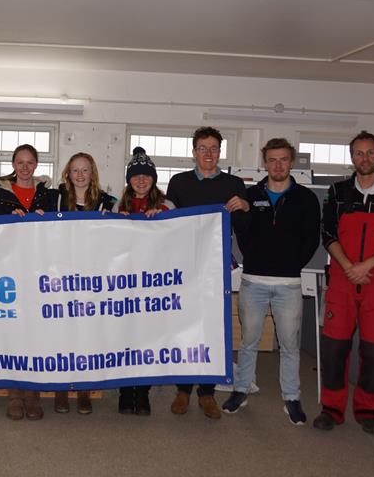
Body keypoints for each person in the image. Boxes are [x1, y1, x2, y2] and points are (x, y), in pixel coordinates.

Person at [313, 131, 374, 435]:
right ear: (351, 156)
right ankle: (332, 408)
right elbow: (328, 234)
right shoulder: (337, 191)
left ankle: (368, 409)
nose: (364, 158)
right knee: (333, 349)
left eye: (370, 153)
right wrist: (348, 267)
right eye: (358, 153)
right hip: (342, 280)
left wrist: (366, 265)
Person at [222, 138, 320, 424]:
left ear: (291, 162)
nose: (278, 165)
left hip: (288, 284)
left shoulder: (306, 198)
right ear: (265, 163)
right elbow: (243, 233)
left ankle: (291, 397)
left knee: (289, 345)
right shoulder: (250, 196)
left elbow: (311, 239)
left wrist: (290, 265)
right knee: (249, 340)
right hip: (253, 281)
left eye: (283, 159)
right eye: (272, 160)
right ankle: (241, 390)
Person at [165, 126, 250, 420]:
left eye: (214, 148)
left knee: (214, 328)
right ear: (194, 152)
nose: (209, 154)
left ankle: (207, 392)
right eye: (203, 148)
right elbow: (168, 223)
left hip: (216, 268)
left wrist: (246, 207)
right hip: (185, 265)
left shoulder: (235, 183)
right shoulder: (178, 182)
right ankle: (183, 390)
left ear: (220, 152)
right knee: (184, 325)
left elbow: (244, 230)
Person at [0, 144, 55, 420]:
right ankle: (15, 392)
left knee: (36, 332)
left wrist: (45, 220)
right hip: (11, 268)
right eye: (20, 162)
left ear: (36, 165)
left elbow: (59, 228)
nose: (25, 167)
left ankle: (33, 392)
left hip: (40, 268)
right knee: (14, 330)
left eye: (30, 162)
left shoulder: (49, 195)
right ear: (13, 164)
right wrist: (9, 220)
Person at [50, 152, 117, 415]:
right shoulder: (55, 197)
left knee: (88, 335)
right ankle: (60, 389)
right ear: (68, 173)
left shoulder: (106, 201)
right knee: (62, 334)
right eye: (75, 170)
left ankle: (84, 391)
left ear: (93, 173)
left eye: (85, 170)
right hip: (59, 277)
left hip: (91, 279)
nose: (80, 175)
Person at [113, 147, 175, 415]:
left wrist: (161, 221)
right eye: (135, 176)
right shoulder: (119, 205)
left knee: (148, 339)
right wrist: (118, 223)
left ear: (153, 178)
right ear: (129, 180)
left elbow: (177, 240)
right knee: (125, 338)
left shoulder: (167, 205)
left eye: (145, 175)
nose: (140, 180)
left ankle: (144, 393)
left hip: (154, 284)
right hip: (125, 283)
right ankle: (126, 392)